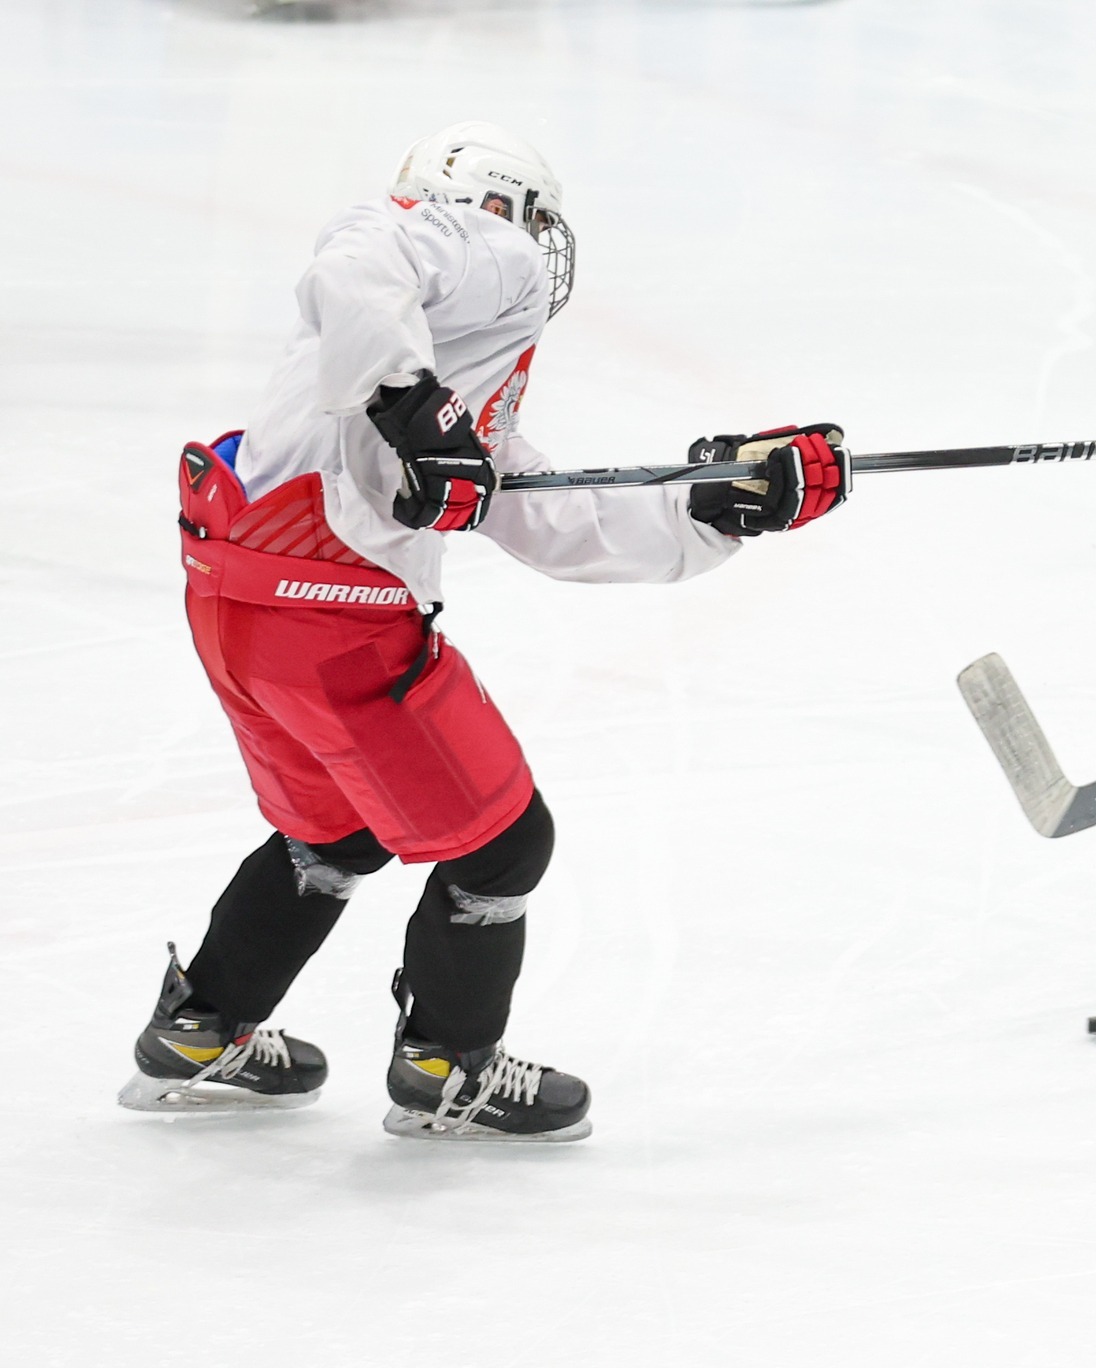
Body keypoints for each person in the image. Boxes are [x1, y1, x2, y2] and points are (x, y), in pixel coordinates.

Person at [120, 122, 850, 1140]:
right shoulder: (475, 252)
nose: (536, 250)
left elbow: (532, 504)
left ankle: (203, 1026)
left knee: (335, 829)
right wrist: (414, 408)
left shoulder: (447, 354)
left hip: (237, 601)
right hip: (333, 614)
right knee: (503, 847)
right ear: (504, 207)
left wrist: (709, 507)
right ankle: (446, 1066)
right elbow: (360, 253)